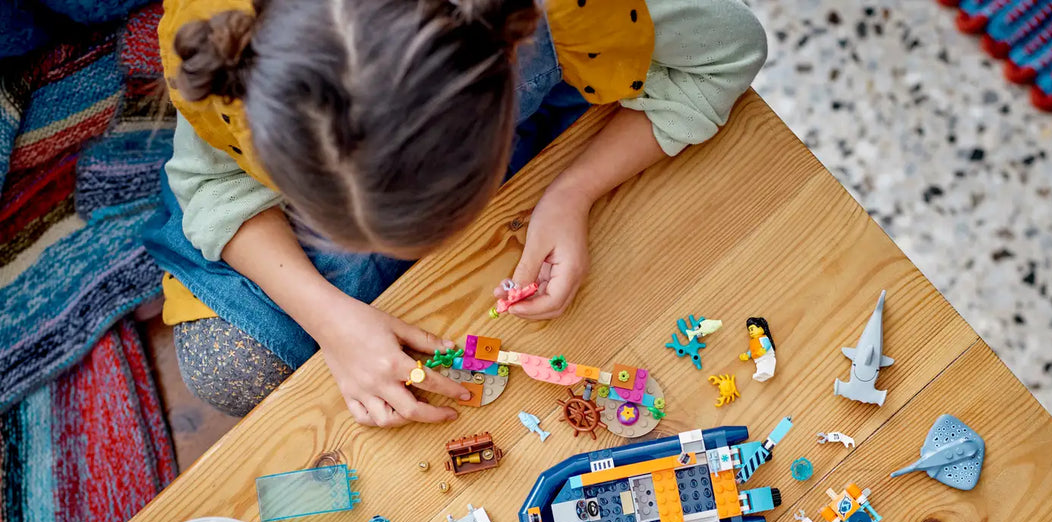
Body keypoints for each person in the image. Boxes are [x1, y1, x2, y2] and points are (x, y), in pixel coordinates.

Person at [147, 0, 767, 423]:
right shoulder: (224, 48)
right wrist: (329, 319)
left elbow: (727, 56)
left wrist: (573, 190)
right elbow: (213, 185)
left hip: (557, 87)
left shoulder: (600, 11)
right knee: (227, 369)